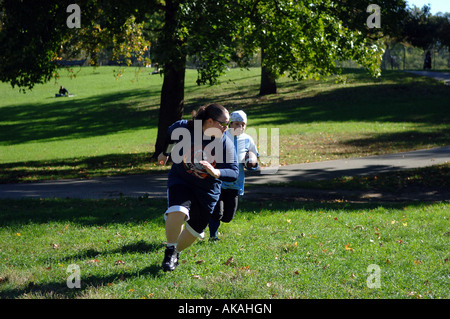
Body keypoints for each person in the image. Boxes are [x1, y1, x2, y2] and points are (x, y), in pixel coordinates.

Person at [157, 103, 239, 271]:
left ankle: (177, 252)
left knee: (194, 231)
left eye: (227, 124)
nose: (226, 128)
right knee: (178, 210)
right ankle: (170, 250)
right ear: (209, 121)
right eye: (223, 124)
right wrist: (165, 153)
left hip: (207, 191)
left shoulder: (225, 143)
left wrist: (216, 172)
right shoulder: (185, 128)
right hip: (182, 180)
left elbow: (234, 171)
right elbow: (170, 134)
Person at [208, 110, 259, 241]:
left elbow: (254, 158)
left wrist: (252, 164)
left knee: (228, 216)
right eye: (236, 123)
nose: (240, 127)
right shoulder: (221, 137)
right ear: (230, 124)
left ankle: (209, 219)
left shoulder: (248, 139)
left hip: (235, 182)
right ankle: (212, 235)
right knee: (217, 212)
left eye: (243, 124)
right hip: (218, 180)